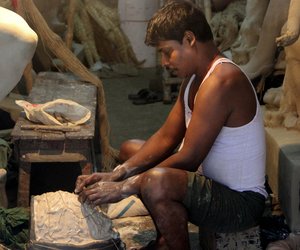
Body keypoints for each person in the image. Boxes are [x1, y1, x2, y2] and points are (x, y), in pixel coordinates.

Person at [75, 1, 267, 249]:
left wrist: (124, 187)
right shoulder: (193, 80)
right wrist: (118, 173)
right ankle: (164, 233)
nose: (164, 62)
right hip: (210, 183)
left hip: (240, 204)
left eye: (167, 52)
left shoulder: (222, 80)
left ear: (189, 39)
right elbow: (166, 137)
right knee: (130, 150)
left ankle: (170, 244)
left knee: (155, 181)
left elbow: (189, 156)